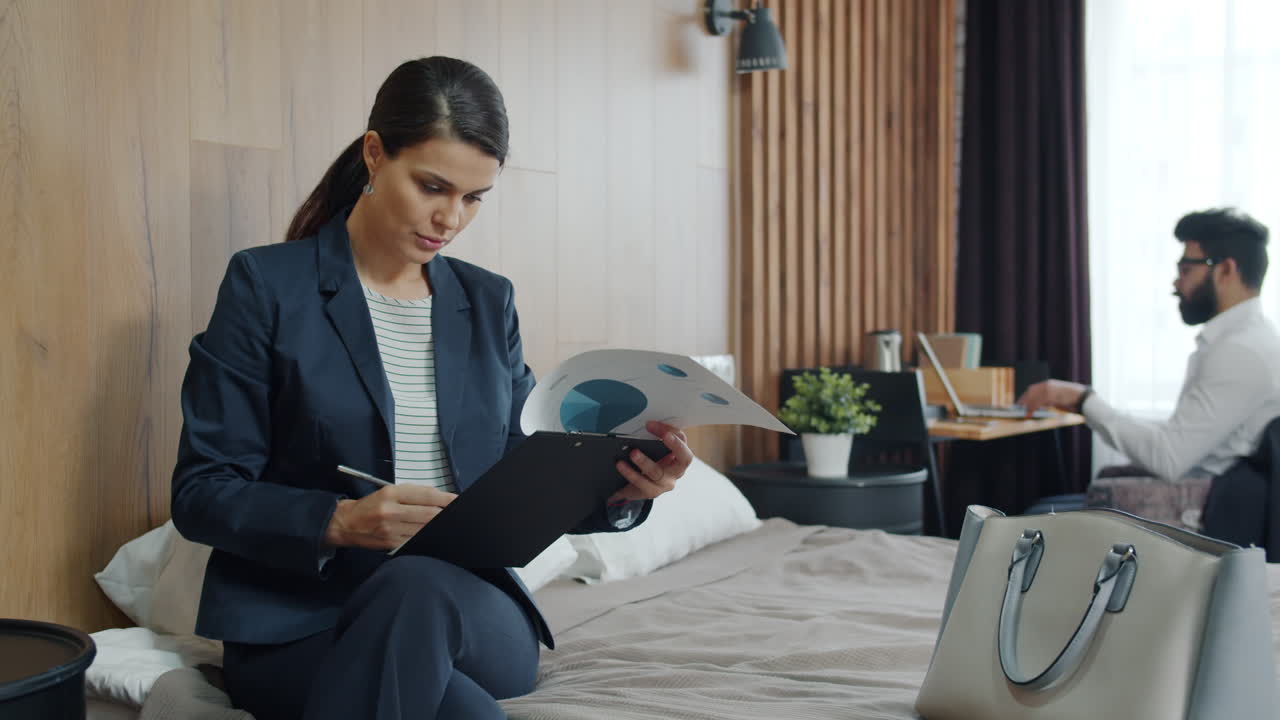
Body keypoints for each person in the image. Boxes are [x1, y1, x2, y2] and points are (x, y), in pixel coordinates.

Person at [170, 56, 694, 720]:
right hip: (299, 619)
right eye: (432, 186)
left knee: (417, 584)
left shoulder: (487, 301)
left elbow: (519, 469)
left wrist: (622, 489)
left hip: (465, 608)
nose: (451, 218)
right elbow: (201, 493)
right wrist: (340, 521)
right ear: (373, 153)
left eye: (474, 198)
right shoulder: (266, 287)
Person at [1018, 208, 1280, 528]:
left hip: (1202, 512)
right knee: (1041, 509)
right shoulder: (1243, 341)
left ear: (1226, 270)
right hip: (1196, 498)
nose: (1175, 282)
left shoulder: (1242, 351)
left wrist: (1085, 401)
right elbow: (1177, 442)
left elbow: (1169, 458)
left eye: (1186, 268)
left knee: (1028, 523)